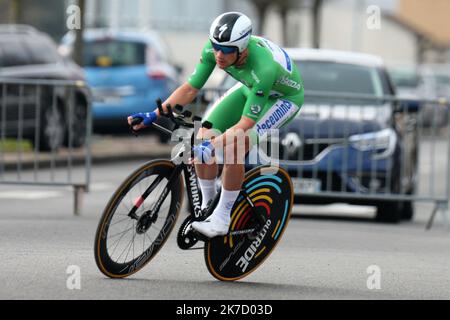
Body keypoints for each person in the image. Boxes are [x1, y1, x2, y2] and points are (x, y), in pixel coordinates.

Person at [128, 12, 304, 238]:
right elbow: (190, 89)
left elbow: (244, 124)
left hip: (282, 99)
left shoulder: (264, 68)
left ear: (243, 49)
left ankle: (221, 218)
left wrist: (213, 146)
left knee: (234, 148)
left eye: (227, 50)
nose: (219, 55)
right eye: (216, 46)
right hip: (249, 89)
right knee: (202, 135)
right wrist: (154, 114)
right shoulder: (216, 50)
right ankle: (208, 204)